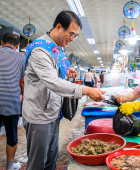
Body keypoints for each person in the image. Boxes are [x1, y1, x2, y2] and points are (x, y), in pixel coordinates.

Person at [22, 10, 105, 170]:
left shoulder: (56, 48)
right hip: (39, 116)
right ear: (59, 27)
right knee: (37, 163)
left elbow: (57, 67)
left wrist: (67, 69)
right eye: (71, 34)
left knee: (50, 160)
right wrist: (86, 91)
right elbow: (53, 83)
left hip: (52, 112)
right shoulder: (40, 50)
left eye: (76, 36)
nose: (72, 39)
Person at [0, 33, 25, 170]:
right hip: (11, 102)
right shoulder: (21, 58)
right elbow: (22, 82)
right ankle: (10, 166)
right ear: (16, 46)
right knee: (11, 135)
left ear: (2, 42)